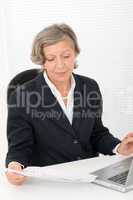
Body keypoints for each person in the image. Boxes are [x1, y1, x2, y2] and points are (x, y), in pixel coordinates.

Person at [5, 23, 133, 186]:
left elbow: (96, 133)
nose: (60, 65)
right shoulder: (22, 95)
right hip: (49, 182)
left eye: (66, 56)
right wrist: (15, 165)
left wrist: (119, 147)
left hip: (89, 177)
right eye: (51, 59)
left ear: (75, 54)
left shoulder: (89, 87)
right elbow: (20, 146)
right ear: (42, 61)